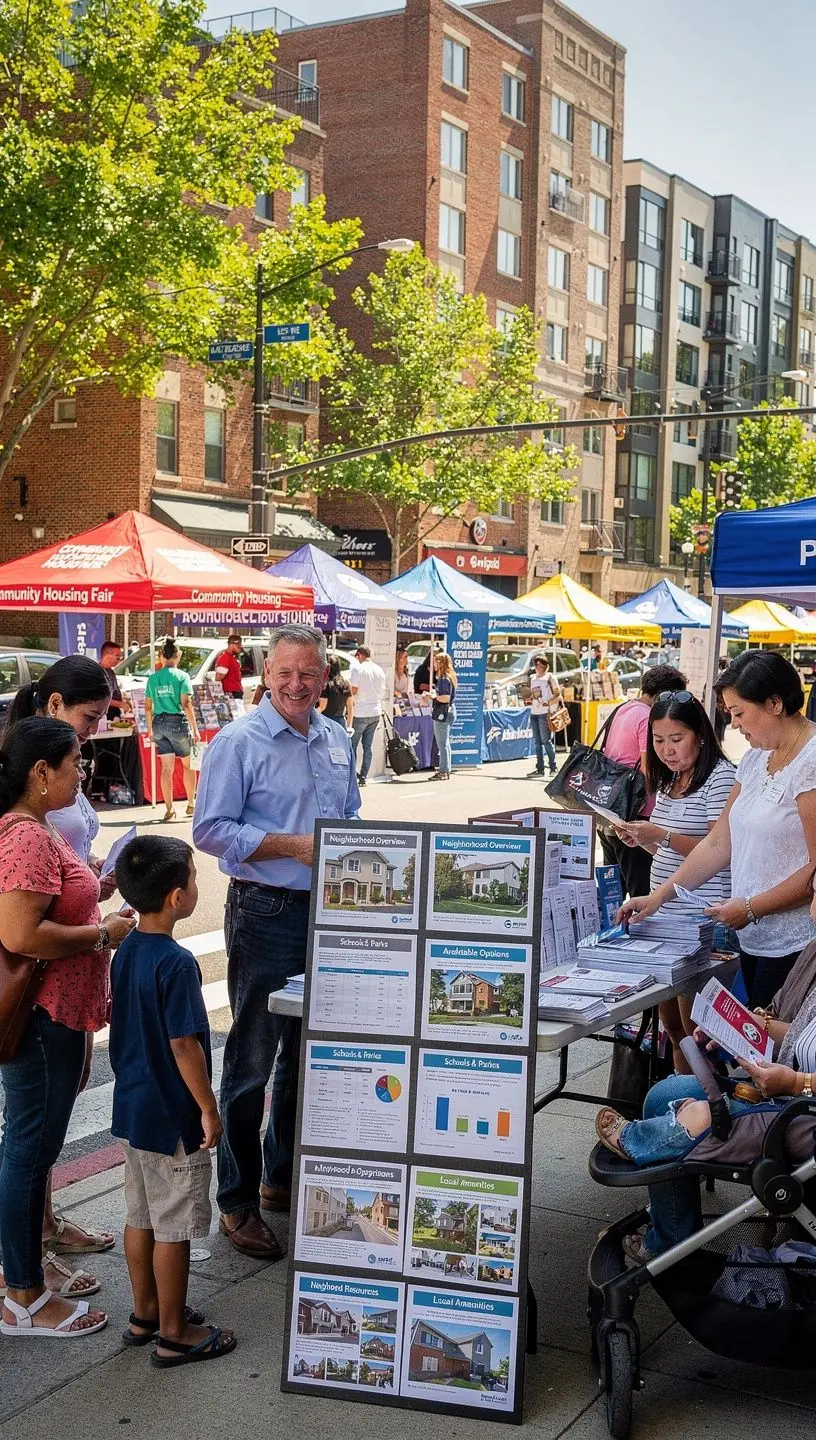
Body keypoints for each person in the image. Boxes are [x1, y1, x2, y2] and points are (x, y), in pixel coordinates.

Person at [193, 625, 360, 1260]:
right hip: (265, 911)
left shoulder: (336, 737)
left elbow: (349, 815)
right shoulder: (239, 742)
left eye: (308, 675)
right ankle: (235, 1200)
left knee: (308, 1055)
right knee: (253, 1058)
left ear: (324, 679)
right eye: (285, 674)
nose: (296, 685)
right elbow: (209, 829)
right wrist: (293, 845)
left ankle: (279, 1177)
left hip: (330, 909)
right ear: (267, 675)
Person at [0, 718, 135, 1339]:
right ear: (41, 772)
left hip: (59, 1013)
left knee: (34, 1150)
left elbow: (50, 904)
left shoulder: (37, 829)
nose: (84, 771)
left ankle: (27, 1272)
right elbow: (21, 935)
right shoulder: (25, 836)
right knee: (28, 1154)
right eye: (76, 762)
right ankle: (22, 1294)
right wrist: (101, 932)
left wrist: (95, 889)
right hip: (42, 1016)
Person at [595, 886, 816, 1259]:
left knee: (696, 1115)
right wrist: (735, 1027)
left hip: (802, 1111)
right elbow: (790, 1028)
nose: (811, 907)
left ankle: (647, 1144)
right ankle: (674, 1241)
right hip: (784, 1091)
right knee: (665, 1093)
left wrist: (796, 1082)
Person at [620, 652, 816, 1008]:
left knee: (777, 1048)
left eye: (740, 713)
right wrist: (661, 896)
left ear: (774, 703)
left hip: (797, 942)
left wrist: (752, 907)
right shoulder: (756, 759)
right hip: (752, 935)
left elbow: (815, 871)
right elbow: (717, 843)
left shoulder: (811, 762)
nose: (736, 725)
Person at [110, 835, 236, 1366]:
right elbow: (184, 1044)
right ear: (176, 898)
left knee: (139, 1216)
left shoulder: (127, 948)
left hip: (136, 1107)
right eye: (193, 876)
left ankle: (144, 1313)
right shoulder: (177, 963)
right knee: (174, 1226)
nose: (197, 883)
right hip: (172, 1116)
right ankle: (173, 1330)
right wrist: (208, 1107)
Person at [613, 692, 736, 1071]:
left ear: (700, 734)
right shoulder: (671, 780)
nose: (667, 750)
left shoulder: (722, 779)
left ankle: (707, 1113)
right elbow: (672, 856)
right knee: (672, 1027)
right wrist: (646, 840)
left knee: (695, 1028)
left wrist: (662, 835)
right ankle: (683, 1103)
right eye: (658, 739)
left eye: (676, 739)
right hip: (664, 914)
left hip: (702, 920)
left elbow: (718, 850)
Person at [596, 665, 688, 899]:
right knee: (641, 889)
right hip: (637, 813)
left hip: (609, 808)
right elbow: (650, 768)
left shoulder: (623, 708)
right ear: (661, 696)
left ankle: (613, 932)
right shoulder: (647, 717)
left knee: (614, 891)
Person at [145, 639, 201, 823]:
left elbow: (147, 707)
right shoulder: (182, 676)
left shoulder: (153, 678)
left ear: (161, 656)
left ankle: (169, 809)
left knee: (166, 769)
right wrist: (195, 728)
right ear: (178, 655)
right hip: (178, 722)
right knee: (188, 765)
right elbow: (186, 703)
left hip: (158, 723)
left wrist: (149, 729)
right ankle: (191, 803)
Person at [348, 643, 386, 786]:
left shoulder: (358, 668)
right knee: (367, 746)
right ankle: (363, 776)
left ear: (359, 655)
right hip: (375, 711)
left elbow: (354, 690)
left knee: (352, 745)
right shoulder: (379, 670)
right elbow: (382, 691)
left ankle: (352, 775)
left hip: (360, 711)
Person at [528, 655, 562, 777]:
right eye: (536, 664)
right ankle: (540, 768)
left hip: (545, 712)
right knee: (537, 742)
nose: (537, 667)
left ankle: (553, 767)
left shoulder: (550, 678)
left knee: (546, 741)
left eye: (539, 665)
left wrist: (548, 702)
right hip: (534, 712)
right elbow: (533, 695)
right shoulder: (533, 678)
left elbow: (558, 694)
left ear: (545, 666)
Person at [431, 651, 457, 780]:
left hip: (443, 712)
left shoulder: (444, 678)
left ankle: (443, 771)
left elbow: (446, 698)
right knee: (445, 743)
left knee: (442, 743)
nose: (434, 664)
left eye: (435, 661)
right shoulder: (448, 677)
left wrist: (433, 697)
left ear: (440, 663)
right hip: (450, 711)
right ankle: (446, 769)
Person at [317, 657, 353, 730]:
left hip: (327, 722)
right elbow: (350, 706)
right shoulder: (345, 683)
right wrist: (349, 726)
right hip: (341, 721)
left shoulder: (326, 685)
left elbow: (322, 707)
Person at [99, 641, 131, 720]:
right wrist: (119, 704)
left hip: (114, 714)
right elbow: (99, 698)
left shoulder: (111, 672)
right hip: (104, 715)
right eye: (117, 656)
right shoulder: (98, 672)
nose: (119, 659)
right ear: (107, 655)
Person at [213, 635, 244, 700]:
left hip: (236, 693)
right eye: (238, 644)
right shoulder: (224, 658)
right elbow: (218, 677)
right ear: (231, 644)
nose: (240, 647)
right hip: (231, 694)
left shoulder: (232, 657)